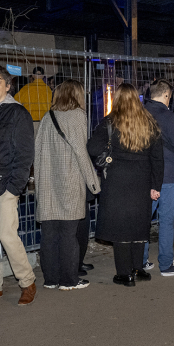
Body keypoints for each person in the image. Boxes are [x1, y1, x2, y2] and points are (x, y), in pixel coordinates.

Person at [87, 84, 164, 287]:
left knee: (120, 227)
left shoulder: (110, 121)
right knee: (139, 224)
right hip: (142, 180)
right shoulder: (149, 122)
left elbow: (92, 148)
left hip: (117, 181)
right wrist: (156, 185)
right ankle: (138, 268)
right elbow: (158, 158)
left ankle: (124, 274)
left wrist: (111, 156)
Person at [34, 80, 101, 291]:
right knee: (68, 234)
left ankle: (50, 279)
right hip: (70, 181)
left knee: (49, 235)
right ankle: (69, 280)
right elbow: (81, 152)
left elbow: (38, 151)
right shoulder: (78, 116)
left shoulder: (47, 117)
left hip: (47, 182)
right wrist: (93, 183)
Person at [0, 65, 36, 305]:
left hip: (6, 185)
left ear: (8, 85)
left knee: (7, 236)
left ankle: (27, 281)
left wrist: (16, 186)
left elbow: (25, 153)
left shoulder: (17, 113)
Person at [143, 79, 174, 277]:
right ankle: (167, 264)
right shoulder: (169, 116)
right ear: (166, 95)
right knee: (167, 220)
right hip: (167, 173)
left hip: (146, 173)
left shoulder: (141, 114)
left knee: (144, 218)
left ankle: (141, 260)